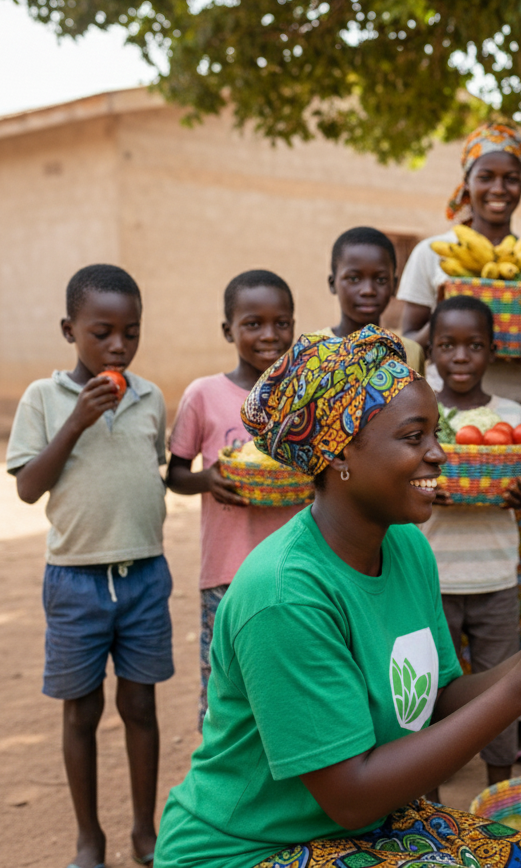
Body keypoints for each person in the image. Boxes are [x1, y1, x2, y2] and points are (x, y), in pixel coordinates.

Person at [155, 326, 521, 868]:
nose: (439, 453)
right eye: (414, 437)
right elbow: (351, 795)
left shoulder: (407, 545)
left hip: (360, 827)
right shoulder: (286, 595)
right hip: (249, 849)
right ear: (339, 455)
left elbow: (436, 702)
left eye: (435, 433)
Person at [397, 122, 521, 770]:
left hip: (515, 416)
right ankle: (444, 736)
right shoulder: (435, 252)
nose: (499, 188)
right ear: (466, 181)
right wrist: (459, 315)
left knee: (515, 569)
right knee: (437, 566)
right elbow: (408, 326)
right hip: (442, 418)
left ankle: (512, 733)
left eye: (511, 176)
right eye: (487, 175)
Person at [6, 263, 171, 868]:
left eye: (131, 331)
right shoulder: (43, 398)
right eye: (102, 332)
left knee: (141, 707)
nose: (119, 346)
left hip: (145, 574)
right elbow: (28, 487)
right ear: (69, 329)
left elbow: (153, 469)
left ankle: (143, 832)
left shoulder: (150, 397)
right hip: (75, 577)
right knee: (82, 710)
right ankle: (88, 838)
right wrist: (78, 419)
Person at [166, 269, 301, 729]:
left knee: (292, 678)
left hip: (296, 568)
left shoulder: (303, 396)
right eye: (253, 323)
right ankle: (219, 780)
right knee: (224, 683)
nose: (270, 335)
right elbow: (176, 474)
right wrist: (208, 482)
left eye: (281, 323)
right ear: (229, 330)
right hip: (227, 571)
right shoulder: (204, 395)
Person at [421, 296, 521, 791]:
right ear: (431, 352)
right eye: (447, 346)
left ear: (492, 350)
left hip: (494, 576)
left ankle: (499, 791)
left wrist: (520, 493)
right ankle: (422, 795)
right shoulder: (420, 410)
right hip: (430, 577)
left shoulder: (511, 414)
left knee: (501, 687)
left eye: (474, 346)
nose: (461, 357)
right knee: (426, 690)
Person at [324, 226, 424, 371]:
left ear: (394, 285)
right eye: (354, 278)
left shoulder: (410, 352)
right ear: (333, 284)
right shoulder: (311, 350)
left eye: (381, 280)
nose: (368, 291)